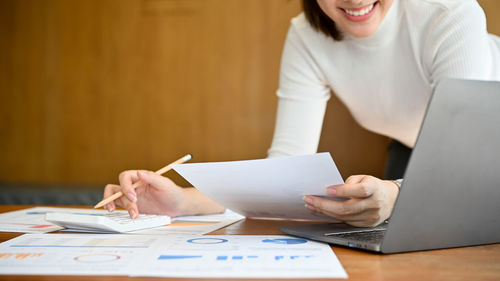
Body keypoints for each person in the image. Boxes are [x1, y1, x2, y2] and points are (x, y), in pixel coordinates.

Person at [102, 0, 500, 227]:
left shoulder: (450, 12)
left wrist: (399, 193)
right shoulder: (307, 35)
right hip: (422, 148)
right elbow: (283, 173)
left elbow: (459, 164)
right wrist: (181, 204)